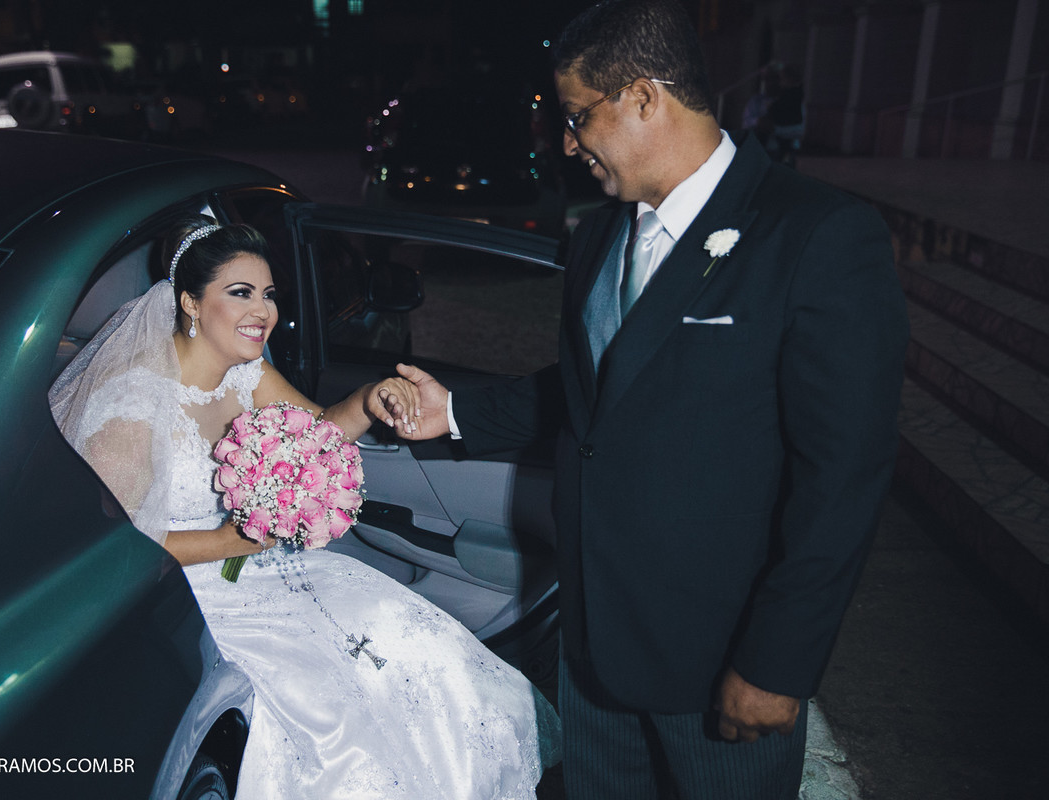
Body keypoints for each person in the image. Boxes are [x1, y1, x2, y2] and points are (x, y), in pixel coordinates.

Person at [391, 1, 909, 798]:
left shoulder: (817, 235)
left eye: (576, 116)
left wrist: (778, 663)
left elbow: (842, 477)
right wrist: (454, 413)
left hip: (719, 662)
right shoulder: (599, 234)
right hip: (593, 645)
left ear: (642, 96)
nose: (568, 142)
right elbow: (597, 392)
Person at [49, 215, 559, 798]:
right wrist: (230, 541)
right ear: (190, 302)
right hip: (190, 597)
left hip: (265, 568)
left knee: (414, 644)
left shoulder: (247, 372)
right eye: (240, 293)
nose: (263, 311)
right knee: (339, 711)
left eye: (268, 294)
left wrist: (368, 400)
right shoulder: (131, 403)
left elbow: (317, 434)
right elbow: (114, 552)